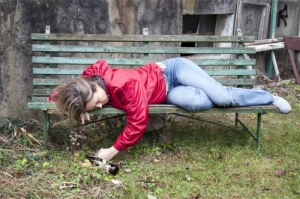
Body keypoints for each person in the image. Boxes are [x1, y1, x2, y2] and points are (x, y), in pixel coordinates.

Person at [49, 57, 291, 160]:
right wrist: (81, 107)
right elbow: (64, 93)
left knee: (223, 98)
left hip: (172, 71)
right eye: (97, 107)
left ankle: (267, 96)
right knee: (196, 103)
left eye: (99, 101)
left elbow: (137, 123)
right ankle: (213, 92)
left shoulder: (124, 85)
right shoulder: (89, 82)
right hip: (166, 93)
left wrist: (113, 150)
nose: (102, 105)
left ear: (93, 86)